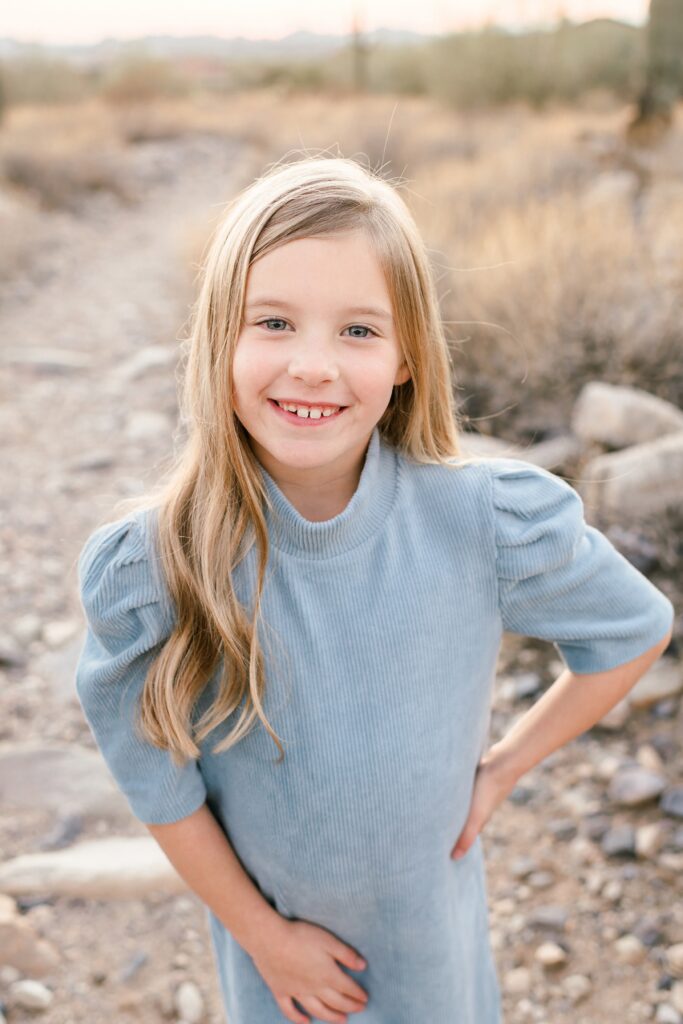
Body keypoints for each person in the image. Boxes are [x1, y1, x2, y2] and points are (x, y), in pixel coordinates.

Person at [74, 155, 675, 1024]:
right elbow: (159, 788)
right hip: (279, 961)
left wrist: (503, 770)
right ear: (220, 340)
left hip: (432, 942)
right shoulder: (158, 562)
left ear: (404, 357)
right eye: (274, 322)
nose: (313, 365)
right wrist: (263, 938)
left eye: (357, 331)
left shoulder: (477, 520)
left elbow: (632, 630)